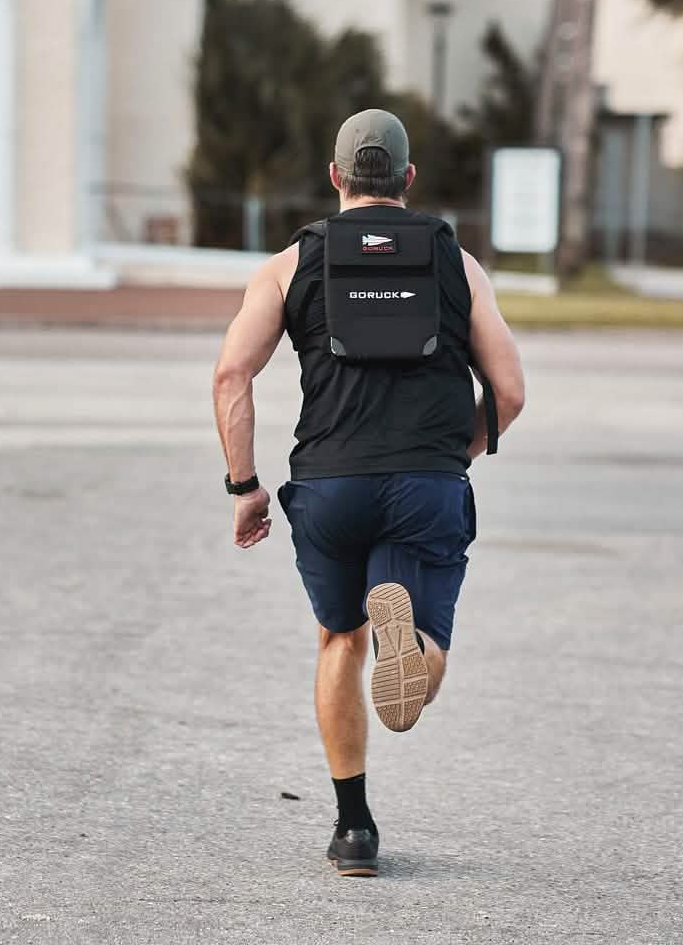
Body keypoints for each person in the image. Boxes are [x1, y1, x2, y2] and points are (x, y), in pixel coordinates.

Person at [212, 109, 525, 878]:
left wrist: (246, 487)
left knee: (338, 642)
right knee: (421, 653)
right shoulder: (459, 263)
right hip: (425, 480)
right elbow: (510, 392)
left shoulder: (289, 265)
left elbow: (230, 377)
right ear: (409, 181)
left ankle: (353, 830)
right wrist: (458, 451)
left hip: (329, 484)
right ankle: (410, 647)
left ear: (335, 178)